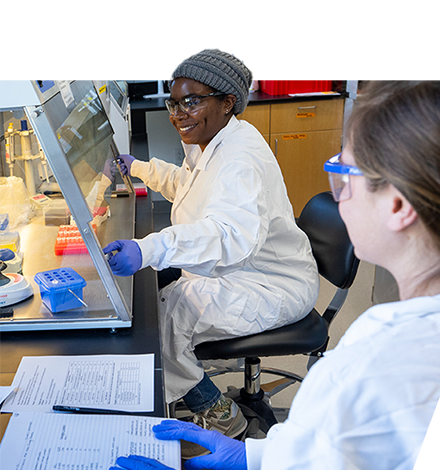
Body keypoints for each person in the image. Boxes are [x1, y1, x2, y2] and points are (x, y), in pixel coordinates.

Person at [109, 81, 440, 470]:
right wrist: (256, 456)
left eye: (345, 169)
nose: (337, 187)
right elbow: (370, 458)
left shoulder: (367, 379)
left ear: (398, 205)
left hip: (270, 283)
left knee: (176, 308)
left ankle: (217, 409)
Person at [103, 49, 319, 440]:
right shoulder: (213, 138)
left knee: (165, 320)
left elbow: (226, 235)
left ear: (227, 102)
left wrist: (149, 248)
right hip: (244, 272)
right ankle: (184, 391)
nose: (178, 113)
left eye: (192, 101)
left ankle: (221, 416)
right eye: (174, 102)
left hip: (270, 284)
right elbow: (189, 188)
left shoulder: (239, 158)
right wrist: (138, 168)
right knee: (162, 300)